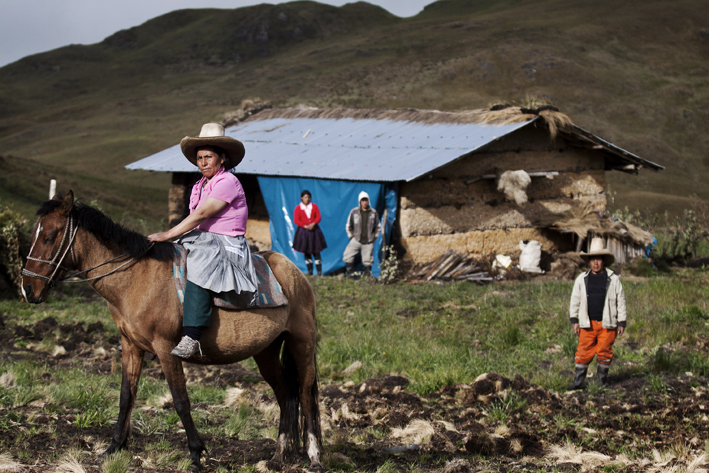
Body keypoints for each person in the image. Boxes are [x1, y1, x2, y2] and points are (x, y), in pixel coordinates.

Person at [148, 123, 258, 359]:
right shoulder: (200, 185)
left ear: (222, 159)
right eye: (199, 158)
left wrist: (168, 234)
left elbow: (200, 215)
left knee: (199, 259)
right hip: (203, 239)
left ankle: (192, 335)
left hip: (225, 243)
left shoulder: (227, 181)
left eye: (209, 157)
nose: (203, 162)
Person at [567, 237, 627, 390]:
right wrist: (575, 320)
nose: (595, 262)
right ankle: (578, 382)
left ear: (603, 261)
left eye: (598, 259)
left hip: (608, 324)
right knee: (583, 352)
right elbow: (575, 299)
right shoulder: (582, 279)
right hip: (587, 323)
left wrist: (621, 321)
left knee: (604, 352)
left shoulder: (613, 279)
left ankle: (601, 382)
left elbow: (621, 300)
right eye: (593, 259)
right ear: (589, 261)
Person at [343, 191, 381, 277]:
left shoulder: (373, 213)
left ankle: (367, 276)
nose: (364, 202)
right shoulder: (354, 212)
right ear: (360, 201)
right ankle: (350, 275)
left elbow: (378, 227)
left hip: (368, 241)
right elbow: (349, 226)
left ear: (368, 201)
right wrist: (351, 236)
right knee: (347, 255)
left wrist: (374, 238)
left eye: (366, 200)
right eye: (362, 200)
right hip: (356, 239)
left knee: (368, 260)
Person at [292, 190, 327, 275]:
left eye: (308, 197)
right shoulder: (298, 208)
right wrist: (305, 226)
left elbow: (318, 217)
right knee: (306, 250)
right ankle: (310, 271)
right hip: (304, 233)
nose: (307, 199)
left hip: (314, 231)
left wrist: (313, 224)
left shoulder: (314, 207)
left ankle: (319, 271)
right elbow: (296, 220)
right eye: (305, 197)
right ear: (301, 198)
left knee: (316, 250)